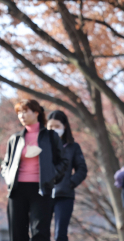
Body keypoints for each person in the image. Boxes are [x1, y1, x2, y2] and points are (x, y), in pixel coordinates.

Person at [1, 99, 68, 241]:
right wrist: (9, 178)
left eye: (25, 112)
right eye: (19, 113)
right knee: (18, 233)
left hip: (41, 189)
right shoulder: (15, 138)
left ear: (36, 112)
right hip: (17, 189)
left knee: (40, 233)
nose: (21, 116)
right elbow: (5, 164)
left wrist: (51, 176)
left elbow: (63, 162)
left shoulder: (51, 136)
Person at [47, 110, 88, 241]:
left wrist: (70, 183)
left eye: (57, 126)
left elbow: (82, 169)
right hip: (44, 193)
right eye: (50, 126)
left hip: (64, 195)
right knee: (40, 231)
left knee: (60, 234)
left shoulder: (73, 147)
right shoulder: (42, 145)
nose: (53, 129)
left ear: (65, 126)